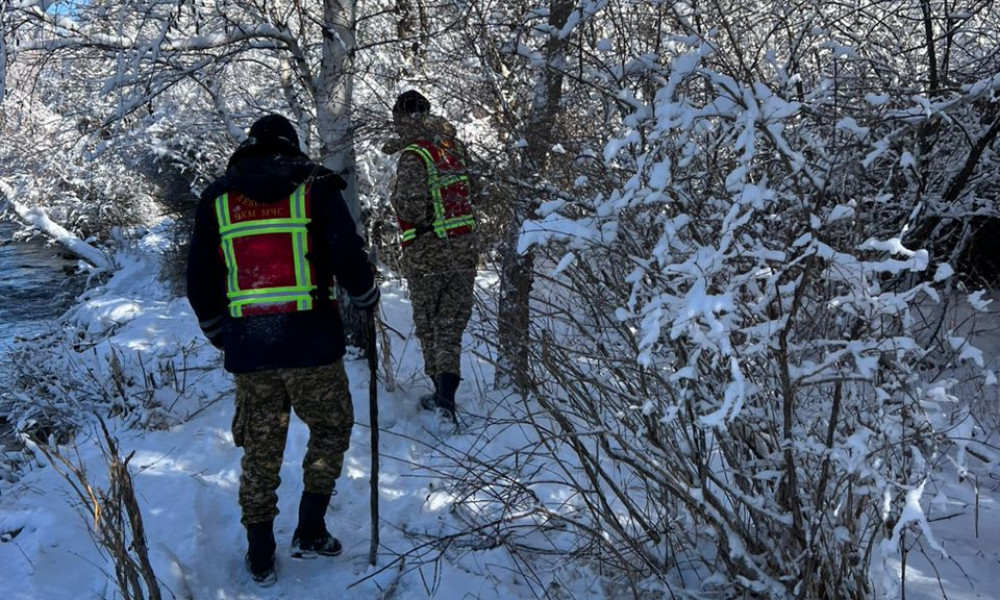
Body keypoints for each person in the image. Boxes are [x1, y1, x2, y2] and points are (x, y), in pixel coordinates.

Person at [185, 114, 379, 586]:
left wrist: (220, 333)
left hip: (251, 349)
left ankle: (260, 553)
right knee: (332, 428)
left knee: (261, 449)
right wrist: (366, 294)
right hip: (312, 342)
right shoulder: (314, 188)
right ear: (292, 146)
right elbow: (346, 252)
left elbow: (199, 281)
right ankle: (310, 529)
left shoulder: (217, 199)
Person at [382, 90, 478, 422]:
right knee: (451, 324)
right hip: (464, 247)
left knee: (430, 324)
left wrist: (396, 202)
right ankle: (447, 396)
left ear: (401, 117)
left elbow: (410, 205)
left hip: (427, 251)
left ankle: (441, 400)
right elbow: (476, 190)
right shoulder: (453, 147)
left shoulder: (414, 155)